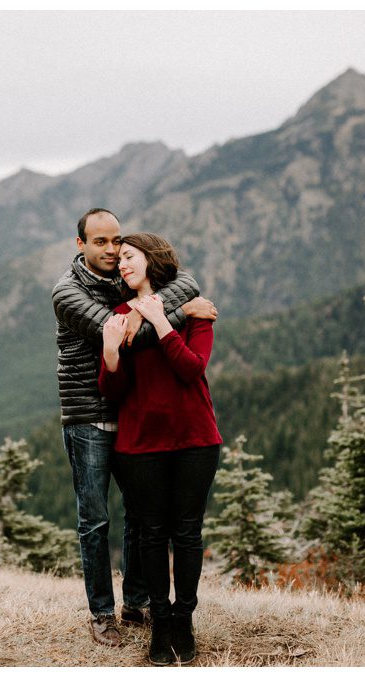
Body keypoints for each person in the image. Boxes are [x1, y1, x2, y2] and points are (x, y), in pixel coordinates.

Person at [48, 207, 216, 647]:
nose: (111, 251)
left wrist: (151, 306)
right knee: (96, 519)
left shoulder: (125, 282)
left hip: (130, 415)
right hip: (88, 414)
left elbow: (186, 282)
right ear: (79, 244)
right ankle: (102, 614)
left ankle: (138, 604)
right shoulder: (67, 293)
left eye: (116, 242)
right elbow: (125, 336)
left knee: (144, 519)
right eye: (99, 242)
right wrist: (173, 315)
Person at [99, 232, 223, 666]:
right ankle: (161, 621)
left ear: (152, 259)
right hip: (140, 443)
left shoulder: (196, 312)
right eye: (120, 262)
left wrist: (164, 321)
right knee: (151, 534)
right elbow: (114, 391)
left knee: (186, 532)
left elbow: (192, 370)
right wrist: (111, 352)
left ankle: (183, 622)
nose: (122, 265)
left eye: (129, 258)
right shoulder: (118, 315)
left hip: (194, 438)